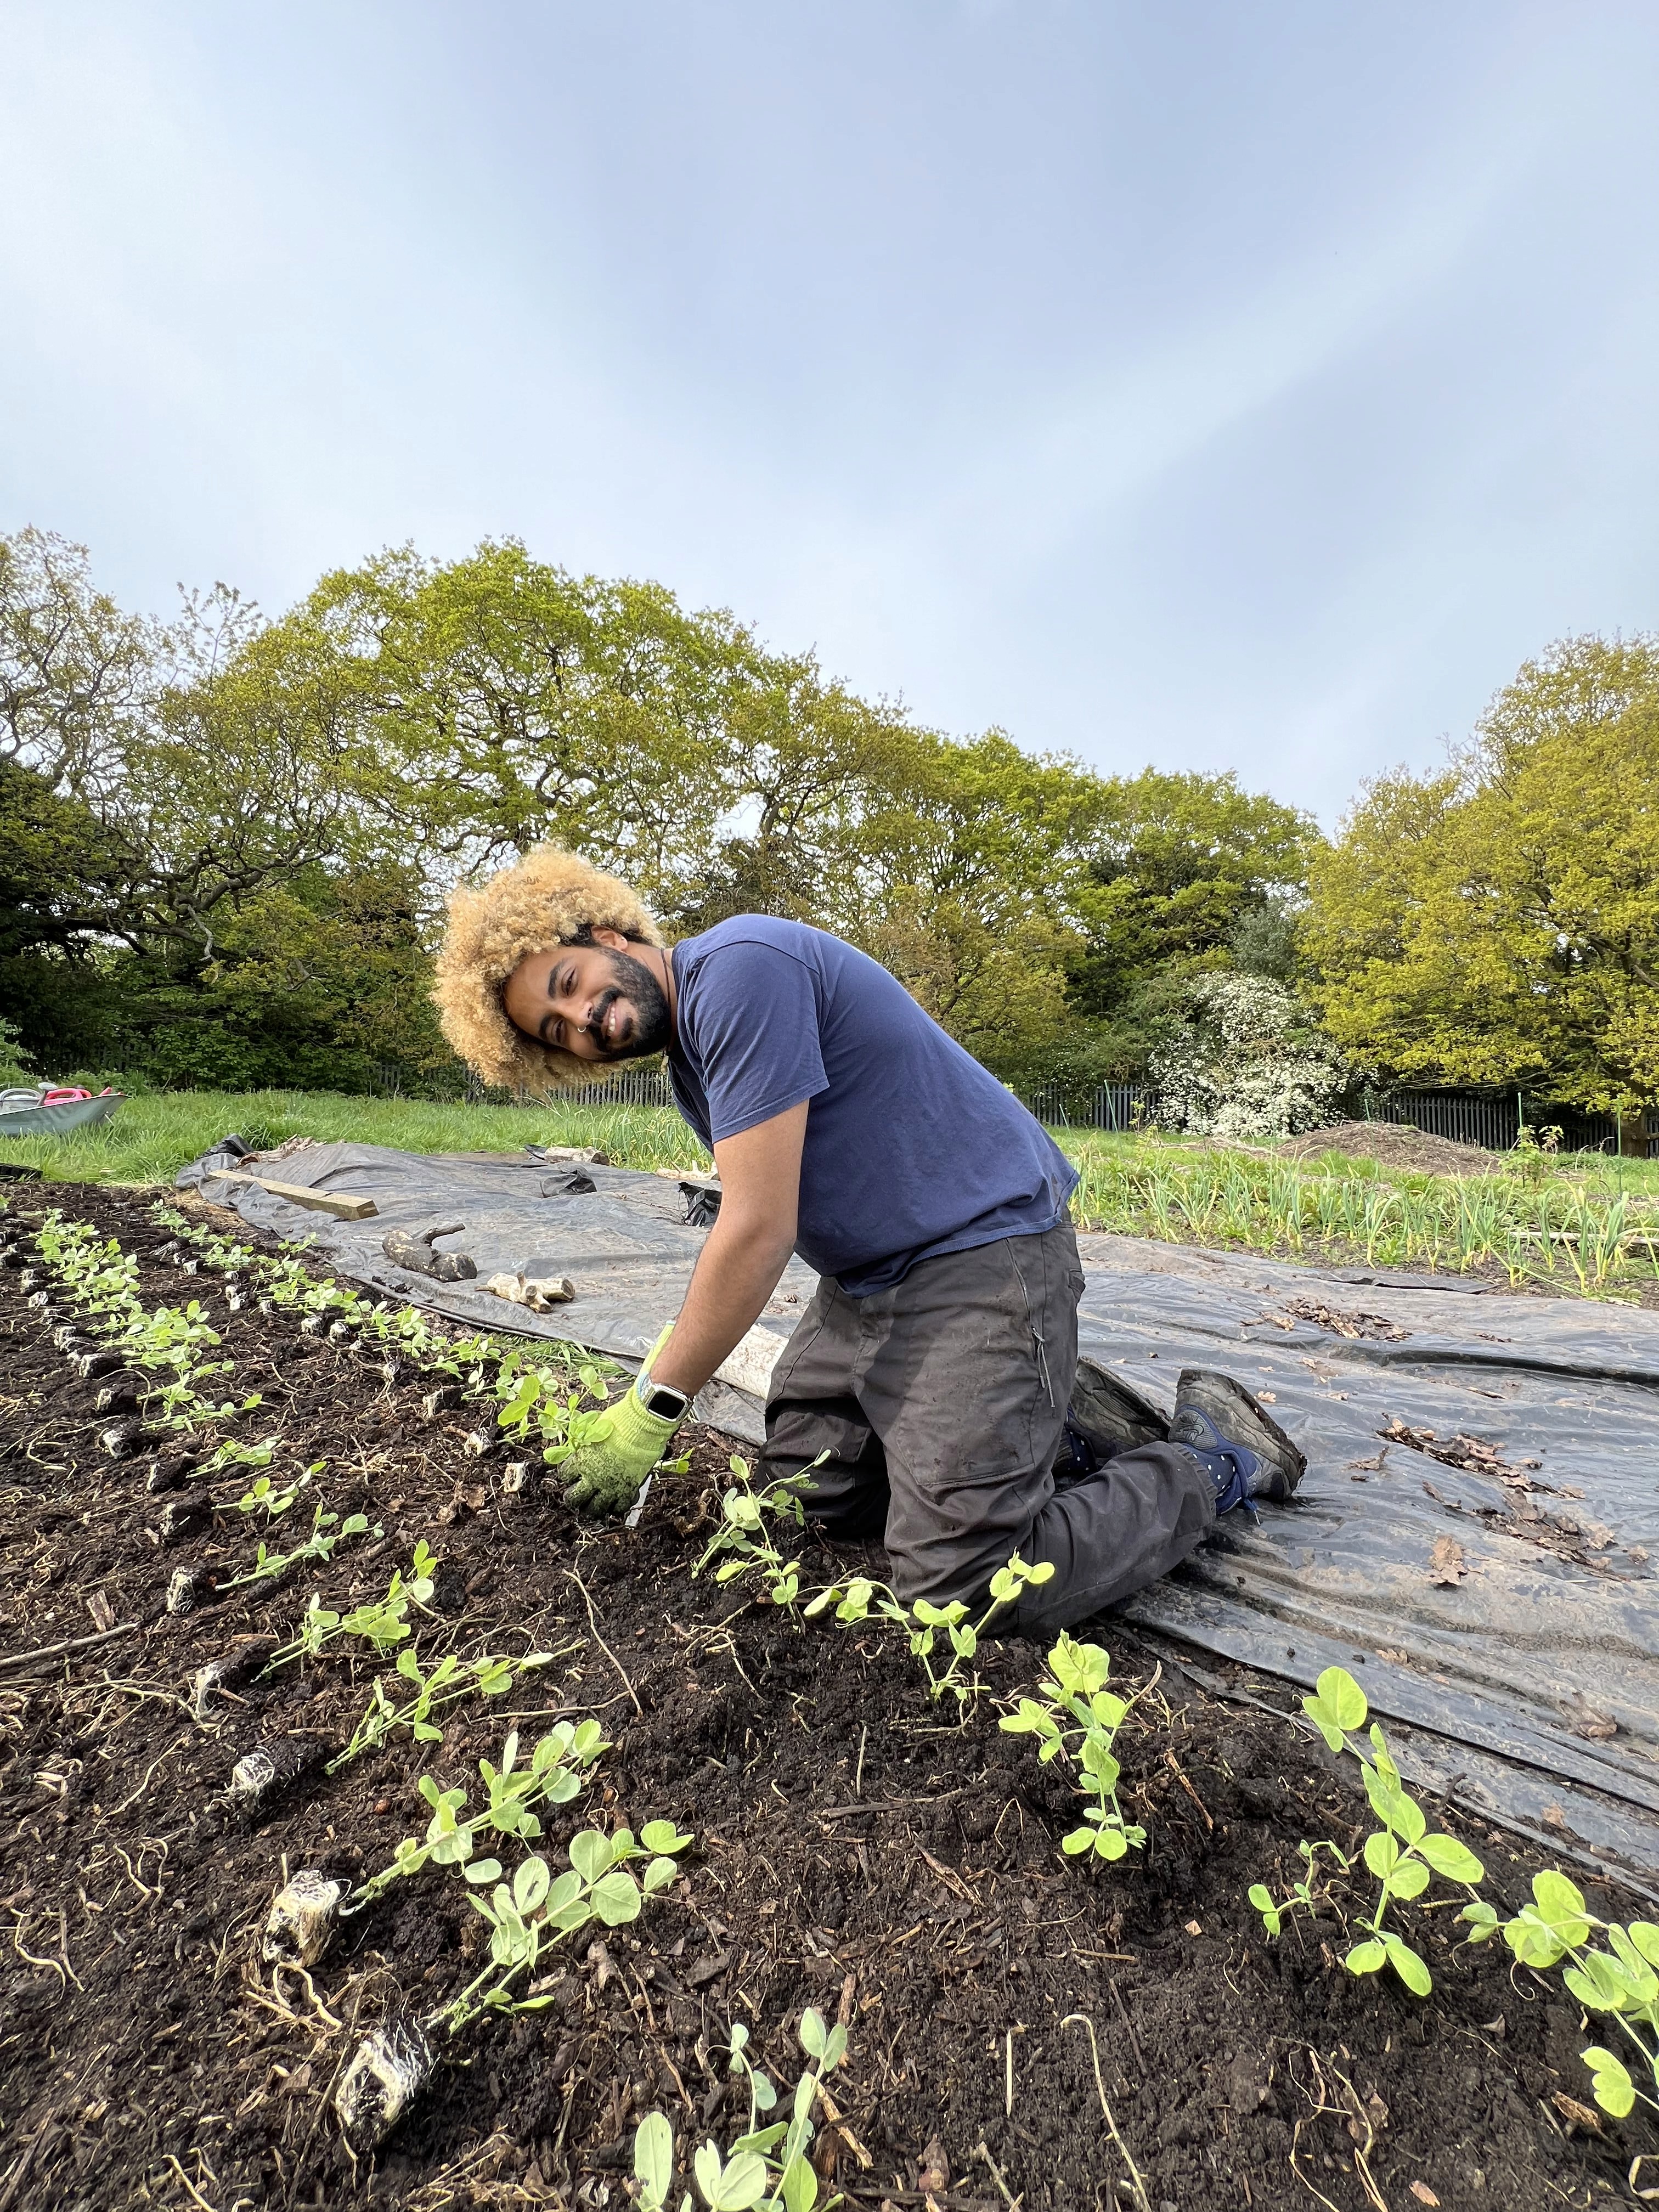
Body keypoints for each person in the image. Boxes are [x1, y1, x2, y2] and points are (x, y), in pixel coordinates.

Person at [433, 847, 1304, 1636]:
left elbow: (758, 1226)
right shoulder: (692, 1057)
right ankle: (1054, 1423)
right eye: (562, 1032)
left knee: (965, 1586)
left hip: (983, 1257)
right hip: (867, 1287)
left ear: (609, 932)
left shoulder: (740, 971)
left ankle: (1213, 1457)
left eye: (572, 983)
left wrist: (655, 1405)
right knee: (805, 1503)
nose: (588, 1018)